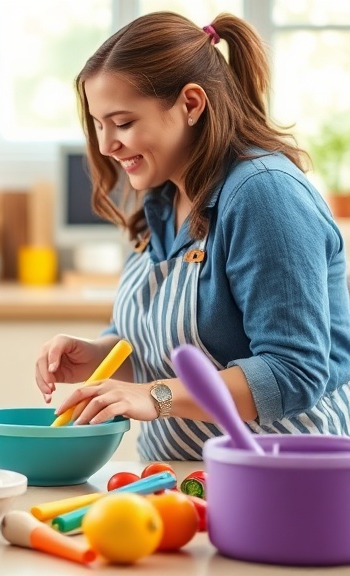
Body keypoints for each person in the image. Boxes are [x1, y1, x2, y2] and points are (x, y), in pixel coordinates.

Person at [35, 11, 350, 461]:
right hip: (184, 481)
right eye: (98, 124)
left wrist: (155, 397)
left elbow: (293, 371)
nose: (106, 145)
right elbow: (170, 347)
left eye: (122, 123)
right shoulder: (164, 198)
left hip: (281, 479)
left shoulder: (264, 194)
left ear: (191, 104)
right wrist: (101, 354)